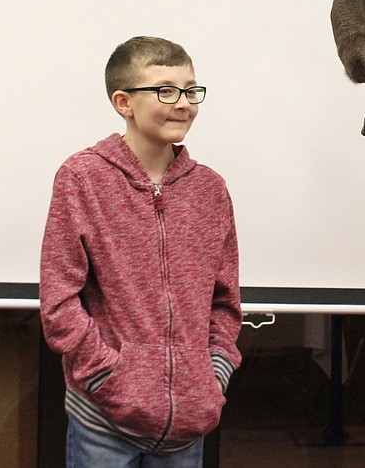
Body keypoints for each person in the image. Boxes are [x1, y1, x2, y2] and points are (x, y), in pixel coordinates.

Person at [40, 36, 242, 466]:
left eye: (191, 90)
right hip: (104, 421)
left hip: (188, 424)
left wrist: (214, 375)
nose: (183, 103)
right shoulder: (82, 178)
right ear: (123, 102)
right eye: (165, 91)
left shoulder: (210, 189)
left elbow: (224, 302)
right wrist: (107, 375)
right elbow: (59, 303)